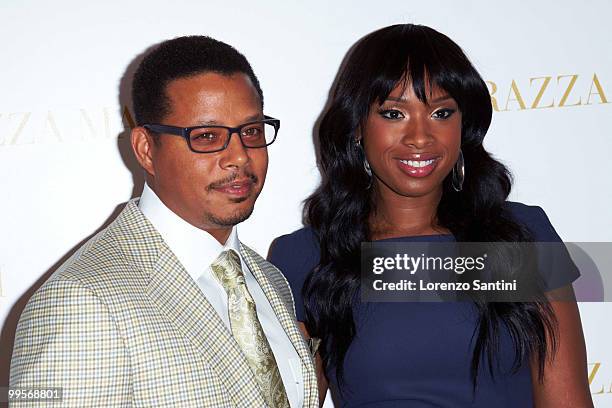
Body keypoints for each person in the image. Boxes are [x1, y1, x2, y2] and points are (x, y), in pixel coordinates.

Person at [269, 24, 593, 407]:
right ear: (357, 126)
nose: (420, 137)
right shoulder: (306, 256)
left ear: (463, 125)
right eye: (393, 113)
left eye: (441, 112)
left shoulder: (520, 236)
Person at [10, 36, 318, 407]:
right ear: (145, 149)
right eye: (206, 137)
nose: (239, 156)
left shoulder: (269, 280)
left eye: (250, 131)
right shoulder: (80, 301)